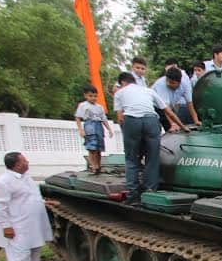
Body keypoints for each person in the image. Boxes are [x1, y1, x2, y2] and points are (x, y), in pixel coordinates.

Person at [0, 153, 57, 261]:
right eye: (24, 160)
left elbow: (30, 197)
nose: (27, 162)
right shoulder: (3, 182)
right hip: (17, 226)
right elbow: (0, 207)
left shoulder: (26, 178)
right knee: (19, 258)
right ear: (17, 164)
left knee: (34, 252)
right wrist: (6, 226)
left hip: (33, 224)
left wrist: (45, 203)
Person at [113, 72, 183, 204]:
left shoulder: (120, 93)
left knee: (131, 159)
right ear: (134, 81)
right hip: (151, 121)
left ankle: (133, 195)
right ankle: (150, 191)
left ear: (122, 83)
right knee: (152, 158)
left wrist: (128, 137)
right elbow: (167, 111)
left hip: (132, 120)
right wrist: (183, 126)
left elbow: (120, 117)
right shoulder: (148, 91)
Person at [74, 84, 114, 174]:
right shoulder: (83, 105)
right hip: (89, 125)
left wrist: (109, 129)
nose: (93, 98)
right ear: (85, 95)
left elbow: (103, 119)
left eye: (95, 96)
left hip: (98, 126)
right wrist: (81, 129)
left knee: (99, 148)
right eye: (90, 96)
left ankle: (98, 166)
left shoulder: (99, 107)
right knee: (92, 147)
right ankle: (93, 166)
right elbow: (77, 117)